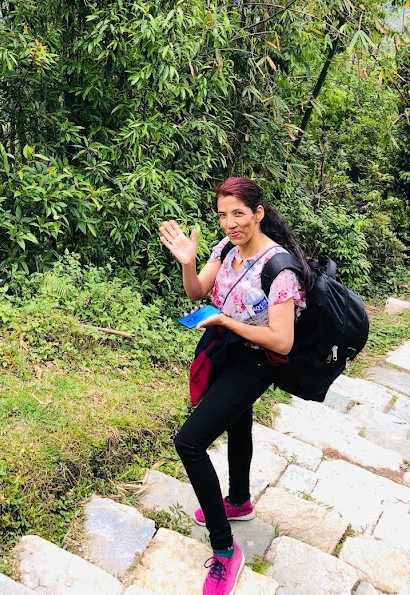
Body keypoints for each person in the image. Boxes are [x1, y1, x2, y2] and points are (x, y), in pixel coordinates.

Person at [159, 177, 313, 595]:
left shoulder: (279, 269)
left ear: (258, 214)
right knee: (238, 422)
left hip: (255, 361)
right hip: (225, 348)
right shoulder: (226, 249)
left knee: (189, 443)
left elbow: (282, 340)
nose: (230, 223)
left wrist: (227, 321)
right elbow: (198, 292)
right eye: (224, 215)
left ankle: (225, 549)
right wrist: (188, 263)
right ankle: (240, 501)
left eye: (239, 214)